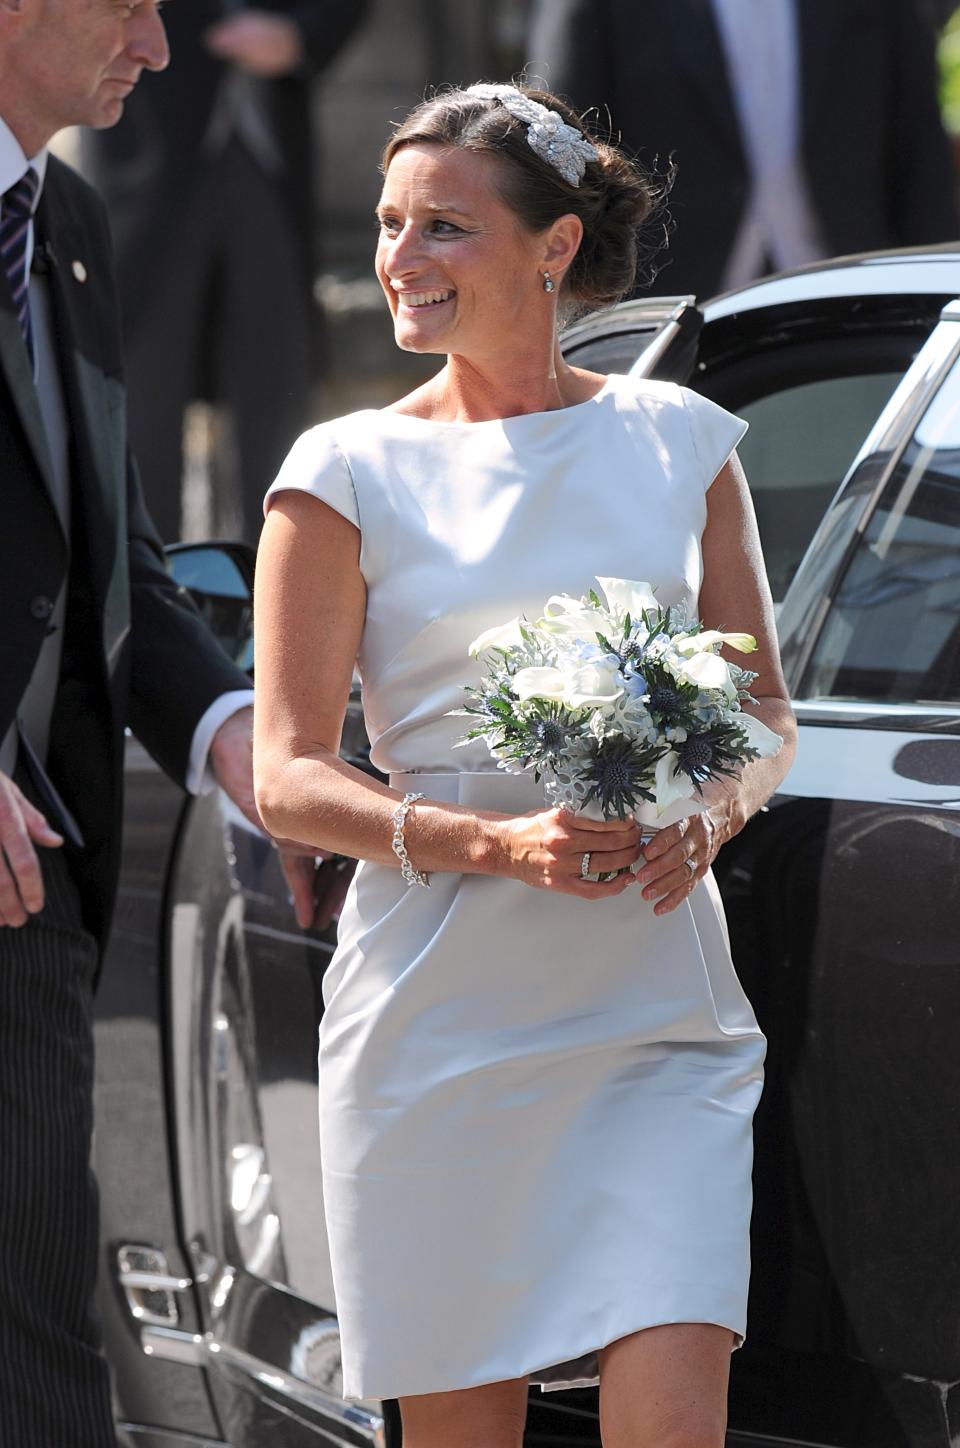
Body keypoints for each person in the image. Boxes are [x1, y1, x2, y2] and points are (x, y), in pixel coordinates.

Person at [253, 83, 797, 1448]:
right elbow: (290, 775)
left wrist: (713, 813)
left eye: (445, 227)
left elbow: (765, 712)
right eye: (389, 225)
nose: (400, 259)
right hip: (440, 1027)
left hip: (656, 1018)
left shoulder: (680, 441)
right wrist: (491, 844)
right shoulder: (344, 470)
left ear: (554, 250)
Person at [0, 3, 332, 1443]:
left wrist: (250, 752)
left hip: (32, 899)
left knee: (37, 1343)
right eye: (130, 3)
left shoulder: (66, 215)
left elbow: (116, 560)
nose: (157, 40)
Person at [79, 0, 370, 544]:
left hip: (270, 150)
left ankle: (279, 589)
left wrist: (301, 34)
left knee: (277, 383)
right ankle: (144, 594)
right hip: (146, 151)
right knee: (141, 388)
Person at [527, 0, 960, 299]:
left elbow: (921, 150)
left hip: (854, 295)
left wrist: (932, 289)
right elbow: (564, 149)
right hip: (663, 303)